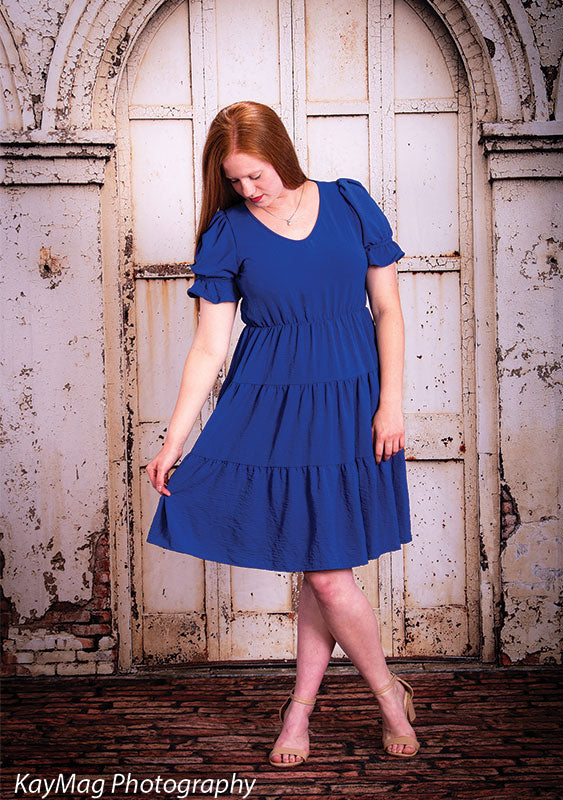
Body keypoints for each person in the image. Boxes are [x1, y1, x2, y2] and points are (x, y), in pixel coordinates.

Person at [145, 100, 420, 765]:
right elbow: (209, 347)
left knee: (324, 571)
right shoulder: (228, 233)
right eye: (233, 179)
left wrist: (391, 404)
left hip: (352, 403)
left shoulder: (350, 203)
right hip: (272, 409)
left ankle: (305, 708)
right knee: (323, 571)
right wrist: (174, 439)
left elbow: (387, 309)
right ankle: (386, 697)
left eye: (256, 174)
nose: (247, 189)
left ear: (281, 154)